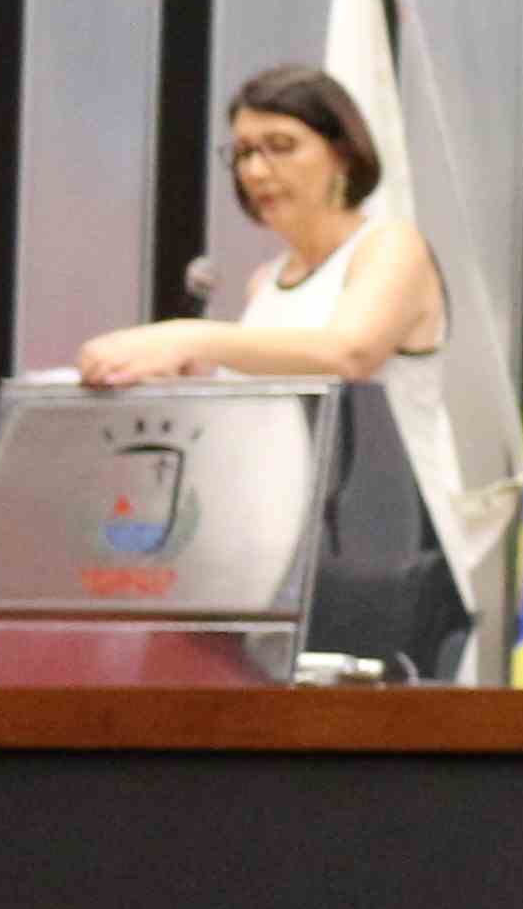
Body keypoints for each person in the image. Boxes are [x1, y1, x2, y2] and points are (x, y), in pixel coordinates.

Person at [78, 63, 472, 672]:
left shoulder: (391, 248)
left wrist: (192, 335)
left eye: (280, 146)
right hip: (279, 566)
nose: (256, 171)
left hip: (394, 564)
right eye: (242, 153)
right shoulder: (267, 283)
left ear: (343, 152)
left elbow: (348, 354)